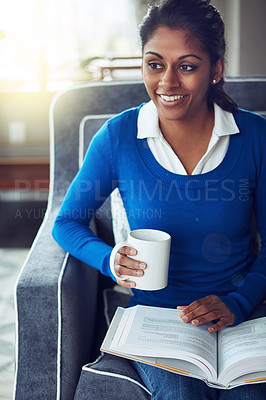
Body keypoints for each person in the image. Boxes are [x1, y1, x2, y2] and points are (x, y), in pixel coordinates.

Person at [52, 0, 266, 398]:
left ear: (215, 69)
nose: (167, 81)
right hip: (157, 320)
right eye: (154, 64)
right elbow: (66, 223)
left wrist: (238, 301)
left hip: (243, 312)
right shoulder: (118, 138)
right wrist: (109, 259)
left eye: (186, 66)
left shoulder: (256, 138)